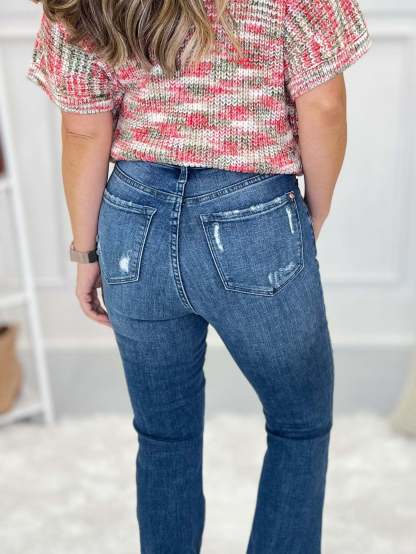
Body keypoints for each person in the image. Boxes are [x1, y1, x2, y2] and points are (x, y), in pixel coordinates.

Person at [26, 0, 371, 552]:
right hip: (253, 212)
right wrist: (317, 208)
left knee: (164, 436)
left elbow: (83, 131)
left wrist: (86, 252)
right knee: (300, 424)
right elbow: (324, 104)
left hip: (132, 219)